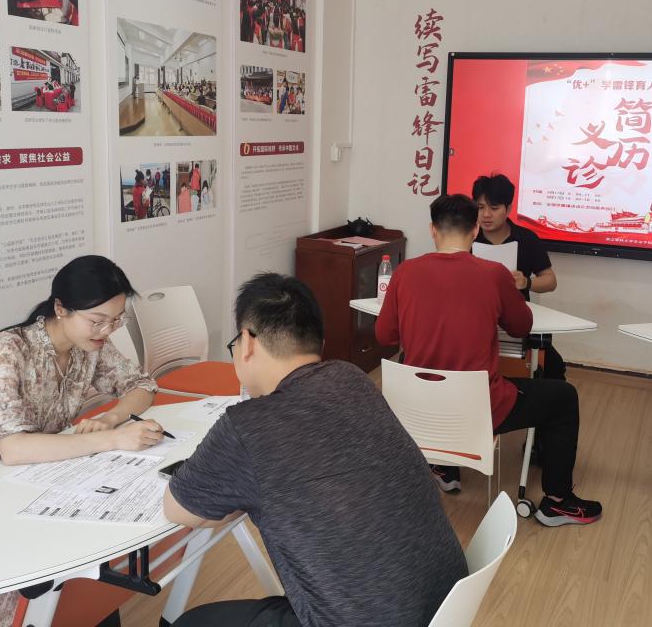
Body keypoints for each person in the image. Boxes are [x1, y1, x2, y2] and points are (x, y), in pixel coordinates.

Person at [165, 273, 467, 627]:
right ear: (318, 341)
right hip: (444, 606)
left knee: (190, 622)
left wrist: (241, 492)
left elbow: (179, 509)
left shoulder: (247, 425)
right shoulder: (352, 378)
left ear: (246, 342)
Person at [0, 255, 162, 626]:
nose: (107, 330)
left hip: (44, 476)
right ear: (61, 308)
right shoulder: (8, 350)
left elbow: (142, 386)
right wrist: (113, 438)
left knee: (90, 551)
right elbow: (13, 448)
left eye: (116, 320)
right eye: (97, 320)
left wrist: (111, 417)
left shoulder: (89, 343)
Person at [375, 194, 603, 526]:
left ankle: (442, 464)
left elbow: (384, 336)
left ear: (432, 230)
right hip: (477, 408)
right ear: (473, 232)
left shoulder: (405, 272)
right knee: (563, 397)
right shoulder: (493, 273)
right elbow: (521, 326)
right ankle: (558, 501)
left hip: (417, 408)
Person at [473, 173, 566, 380]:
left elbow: (550, 281)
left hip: (515, 321)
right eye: (480, 207)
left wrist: (527, 282)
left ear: (508, 209)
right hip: (476, 320)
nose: (486, 214)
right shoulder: (467, 237)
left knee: (555, 366)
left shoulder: (526, 239)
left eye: (494, 208)